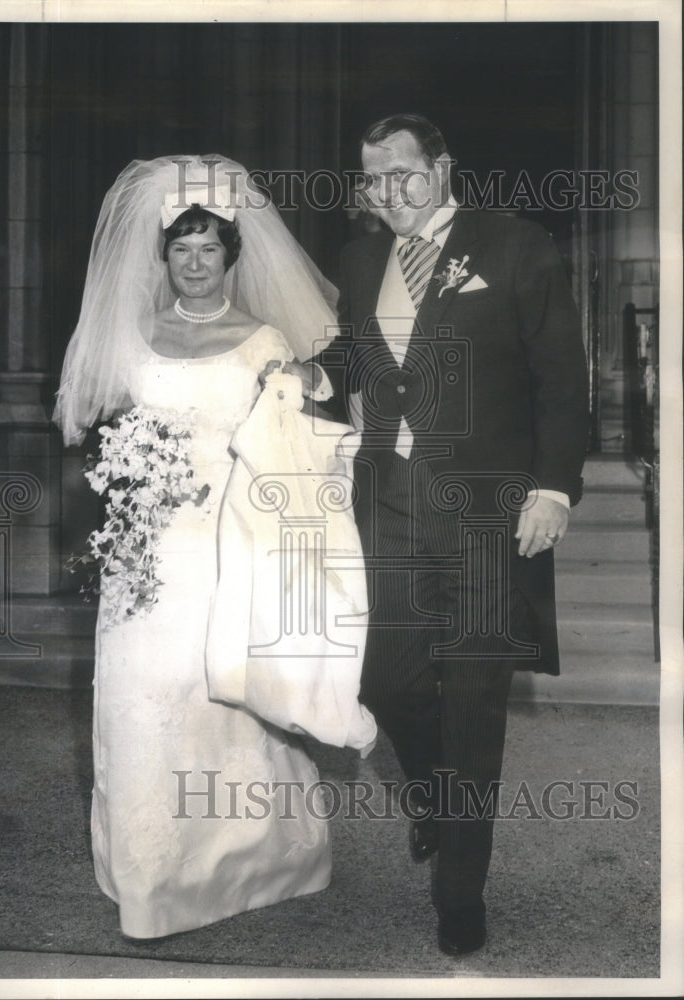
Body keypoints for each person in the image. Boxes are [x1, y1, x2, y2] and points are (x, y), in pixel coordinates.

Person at [285, 114, 590, 955]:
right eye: (374, 180)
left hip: (491, 510)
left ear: (444, 167)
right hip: (387, 500)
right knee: (382, 679)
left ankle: (461, 891)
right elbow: (362, 355)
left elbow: (561, 378)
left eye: (404, 177)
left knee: (474, 703)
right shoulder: (358, 256)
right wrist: (316, 372)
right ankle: (436, 802)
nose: (388, 195)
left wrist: (554, 487)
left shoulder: (514, 244)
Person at [53, 155, 375, 939]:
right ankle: (151, 871)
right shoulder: (131, 338)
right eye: (180, 249)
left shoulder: (265, 341)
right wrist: (126, 482)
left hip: (233, 541)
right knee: (141, 692)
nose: (193, 265)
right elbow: (97, 422)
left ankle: (253, 856)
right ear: (160, 257)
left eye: (208, 249)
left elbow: (292, 447)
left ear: (232, 255)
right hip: (148, 550)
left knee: (224, 689)